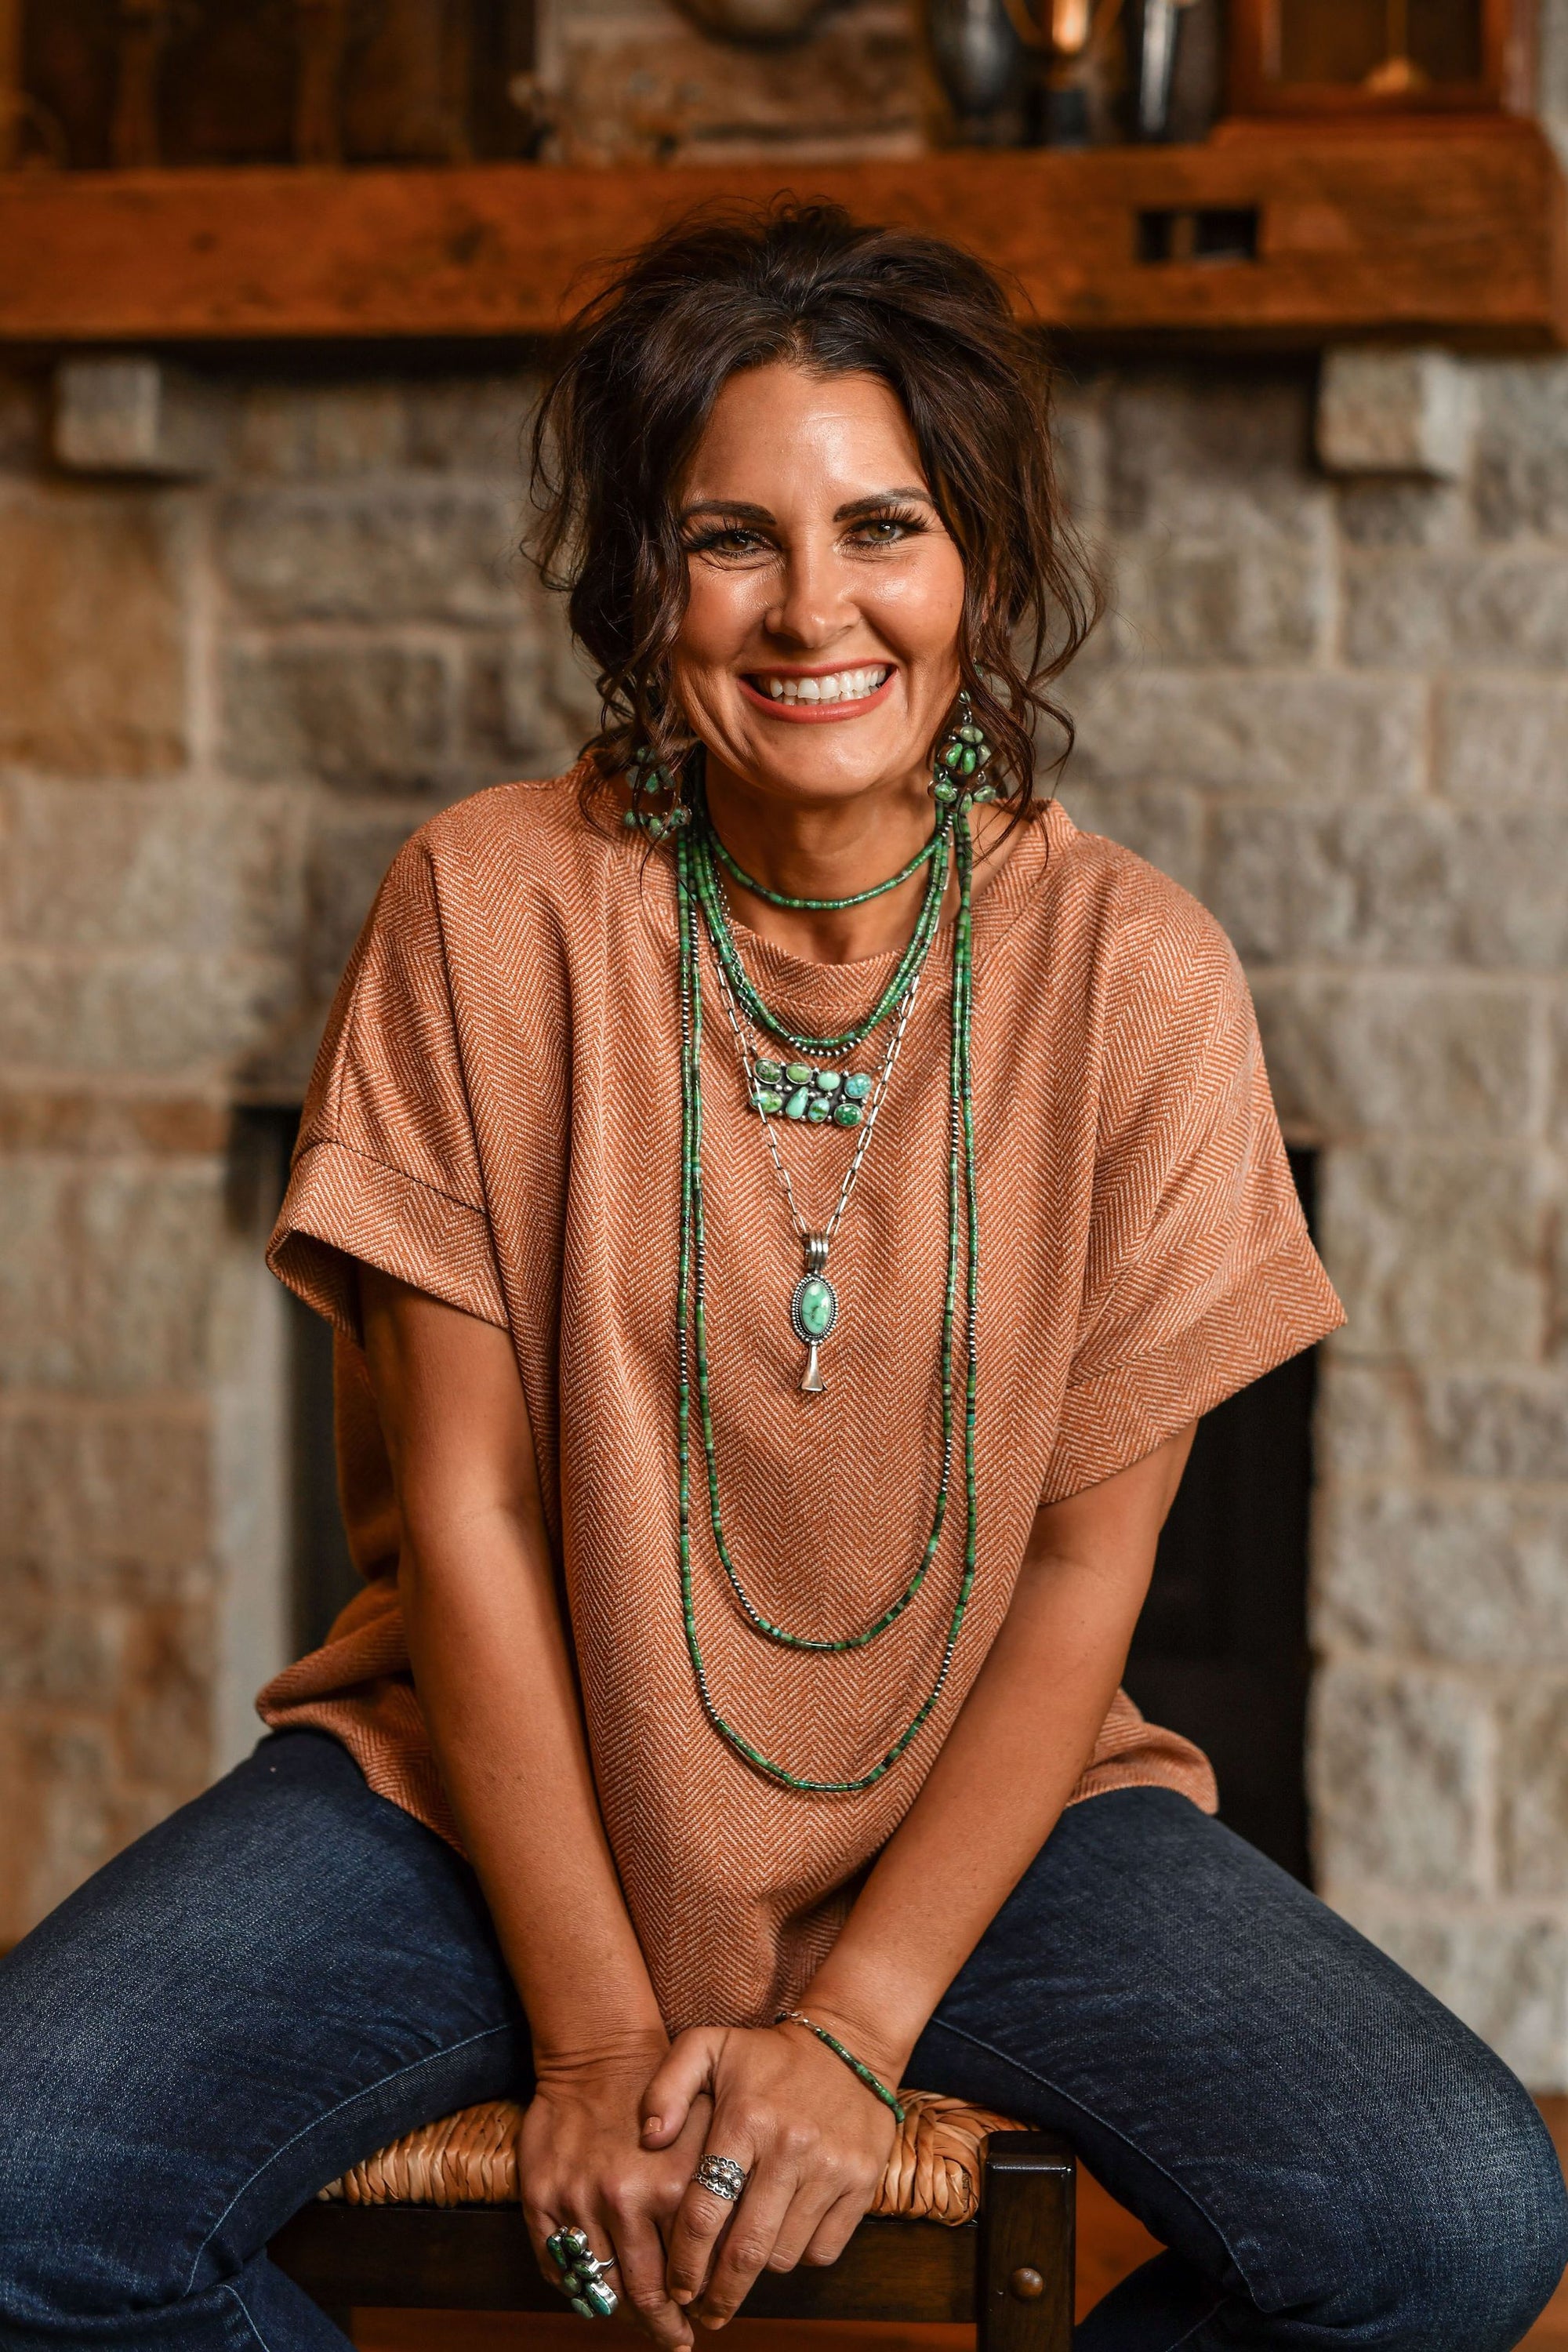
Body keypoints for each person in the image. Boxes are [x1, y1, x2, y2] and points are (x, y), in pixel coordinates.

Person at [0, 202, 1563, 2352]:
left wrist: (859, 2024)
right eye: (731, 539)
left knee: (1454, 2220)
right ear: (645, 588)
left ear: (980, 563)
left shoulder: (1138, 976)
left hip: (980, 1825)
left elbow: (1083, 1576)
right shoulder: (487, 908)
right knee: (21, 2183)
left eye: (883, 527)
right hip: (486, 1802)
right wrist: (586, 2028)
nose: (814, 607)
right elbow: (469, 1512)